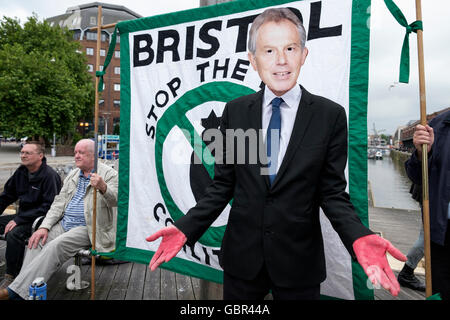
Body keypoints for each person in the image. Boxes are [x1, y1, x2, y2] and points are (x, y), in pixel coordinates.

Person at [145, 8, 407, 300]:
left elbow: (332, 193)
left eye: (290, 48)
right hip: (242, 263)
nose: (281, 60)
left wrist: (358, 235)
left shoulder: (329, 116)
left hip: (299, 264)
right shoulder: (235, 112)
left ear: (303, 55)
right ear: (253, 60)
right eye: (269, 50)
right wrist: (186, 228)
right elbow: (222, 186)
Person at [0, 139, 118, 300]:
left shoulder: (109, 174)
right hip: (64, 223)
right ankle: (27, 290)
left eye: (81, 153)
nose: (76, 156)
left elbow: (116, 201)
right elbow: (58, 204)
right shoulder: (74, 174)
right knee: (36, 241)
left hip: (89, 227)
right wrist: (44, 227)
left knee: (55, 246)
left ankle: (16, 291)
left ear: (94, 156)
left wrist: (103, 187)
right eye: (75, 152)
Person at [0, 142, 61, 288]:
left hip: (41, 220)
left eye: (28, 153)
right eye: (22, 152)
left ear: (40, 156)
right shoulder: (21, 172)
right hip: (22, 217)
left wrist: (19, 219)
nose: (23, 155)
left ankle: (12, 276)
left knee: (14, 234)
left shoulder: (49, 176)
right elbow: (7, 196)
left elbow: (49, 207)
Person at [405, 109, 450, 300]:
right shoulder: (437, 126)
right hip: (443, 232)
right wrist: (421, 152)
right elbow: (416, 176)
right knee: (441, 292)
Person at [397, 183, 425, 291]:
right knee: (426, 237)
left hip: (437, 193)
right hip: (434, 194)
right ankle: (406, 273)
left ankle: (407, 272)